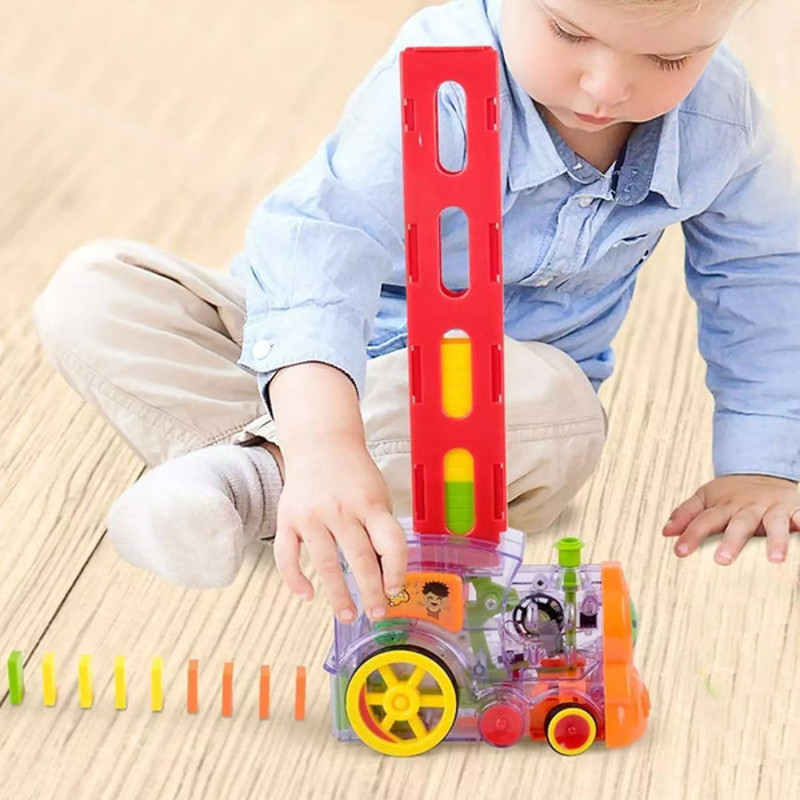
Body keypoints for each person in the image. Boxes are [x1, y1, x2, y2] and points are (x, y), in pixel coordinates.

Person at [33, 0, 800, 626]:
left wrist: (763, 463)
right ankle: (291, 472)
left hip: (486, 413)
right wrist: (325, 435)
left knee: (562, 408)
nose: (605, 87)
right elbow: (321, 243)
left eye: (669, 60)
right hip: (309, 358)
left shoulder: (720, 122)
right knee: (96, 289)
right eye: (569, 32)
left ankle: (244, 484)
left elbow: (761, 269)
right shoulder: (437, 72)